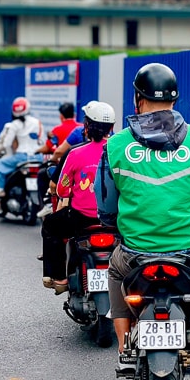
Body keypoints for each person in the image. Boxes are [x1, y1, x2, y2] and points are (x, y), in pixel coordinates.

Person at [96, 63, 190, 373]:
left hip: (136, 256)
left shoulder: (115, 146)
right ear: (175, 102)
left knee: (113, 270)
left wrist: (118, 224)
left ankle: (124, 348)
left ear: (138, 99)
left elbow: (107, 209)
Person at [40, 101, 116, 292]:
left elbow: (62, 190)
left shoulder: (75, 153)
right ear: (112, 127)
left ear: (87, 126)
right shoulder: (121, 151)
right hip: (116, 220)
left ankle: (58, 278)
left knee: (50, 225)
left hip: (81, 219)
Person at [0, 97, 42, 223]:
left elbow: (6, 144)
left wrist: (10, 153)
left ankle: (0, 190)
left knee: (0, 166)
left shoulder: (13, 125)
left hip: (21, 157)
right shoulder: (37, 122)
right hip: (37, 157)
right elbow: (42, 141)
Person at [34, 102, 81, 217]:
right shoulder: (80, 128)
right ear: (74, 114)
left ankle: (47, 203)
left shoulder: (57, 130)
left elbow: (50, 148)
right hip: (81, 167)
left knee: (42, 174)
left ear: (61, 116)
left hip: (64, 167)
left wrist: (38, 151)